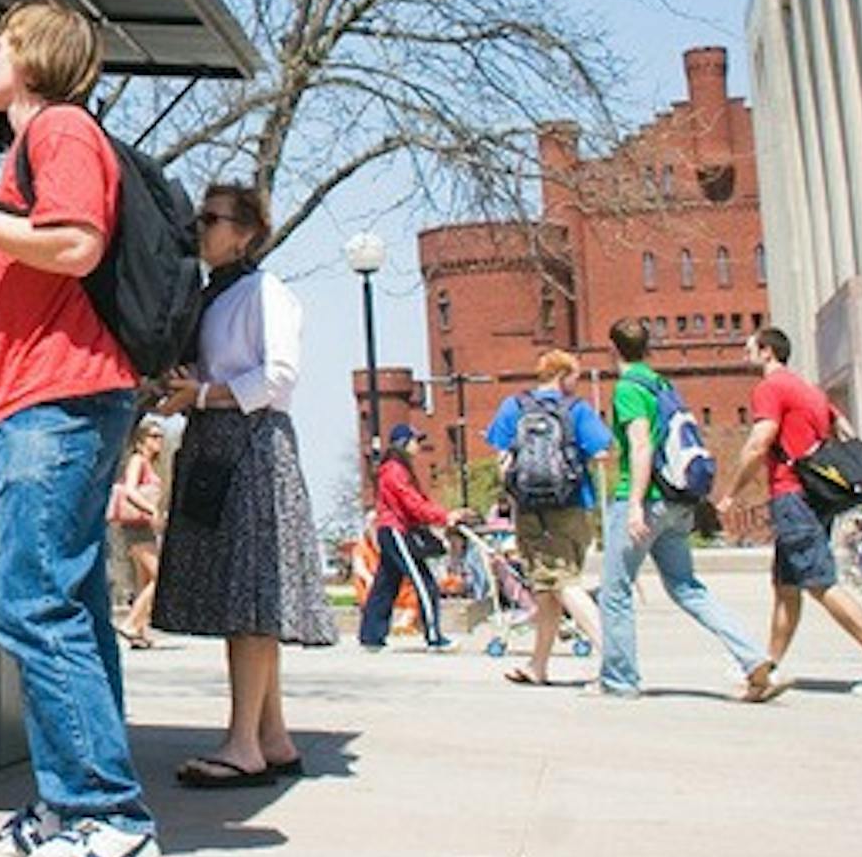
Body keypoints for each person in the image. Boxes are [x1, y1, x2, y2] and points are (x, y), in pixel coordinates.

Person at [0, 0, 158, 857]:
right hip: (54, 401)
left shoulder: (59, 129)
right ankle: (68, 809)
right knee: (75, 610)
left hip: (61, 400)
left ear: (33, 59)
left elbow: (78, 244)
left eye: (1, 46)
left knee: (31, 606)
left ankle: (109, 819)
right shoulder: (40, 144)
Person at [152, 182, 336, 788]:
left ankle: (242, 745)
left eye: (213, 218)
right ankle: (271, 736)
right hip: (217, 443)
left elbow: (278, 378)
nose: (201, 227)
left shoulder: (265, 291)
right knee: (246, 595)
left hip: (253, 447)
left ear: (247, 232)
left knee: (250, 599)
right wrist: (190, 390)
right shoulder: (215, 295)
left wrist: (201, 393)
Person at [597, 317, 781, 701]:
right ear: (648, 349)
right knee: (687, 587)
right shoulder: (663, 384)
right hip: (679, 502)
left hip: (646, 500)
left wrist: (634, 506)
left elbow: (641, 446)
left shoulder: (629, 388)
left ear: (613, 349)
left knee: (615, 591)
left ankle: (620, 680)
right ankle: (752, 656)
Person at [717, 327, 862, 698]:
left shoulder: (771, 388)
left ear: (766, 352)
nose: (745, 353)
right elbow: (843, 428)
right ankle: (769, 669)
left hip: (792, 494)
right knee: (786, 587)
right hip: (815, 496)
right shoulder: (808, 389)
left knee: (818, 582)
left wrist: (731, 492)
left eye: (749, 347)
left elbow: (759, 442)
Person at [483, 350, 610, 686]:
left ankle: (610, 658)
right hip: (571, 504)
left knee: (557, 582)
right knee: (553, 584)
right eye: (575, 376)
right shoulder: (576, 409)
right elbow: (601, 451)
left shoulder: (514, 406)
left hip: (529, 508)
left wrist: (516, 496)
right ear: (564, 374)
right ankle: (543, 664)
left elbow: (502, 459)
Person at [357, 424, 467, 652]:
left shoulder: (396, 470)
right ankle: (434, 637)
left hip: (393, 530)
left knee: (386, 584)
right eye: (415, 441)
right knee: (424, 583)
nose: (418, 445)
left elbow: (418, 501)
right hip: (396, 530)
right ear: (403, 444)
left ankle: (371, 636)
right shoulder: (395, 471)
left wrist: (441, 514)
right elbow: (411, 503)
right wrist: (444, 517)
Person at [108, 416, 167, 649]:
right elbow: (130, 491)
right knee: (160, 577)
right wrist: (151, 508)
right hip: (136, 526)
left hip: (144, 526)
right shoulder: (137, 461)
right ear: (141, 440)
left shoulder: (150, 464)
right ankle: (131, 624)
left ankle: (139, 632)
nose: (159, 440)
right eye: (154, 436)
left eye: (161, 436)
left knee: (145, 579)